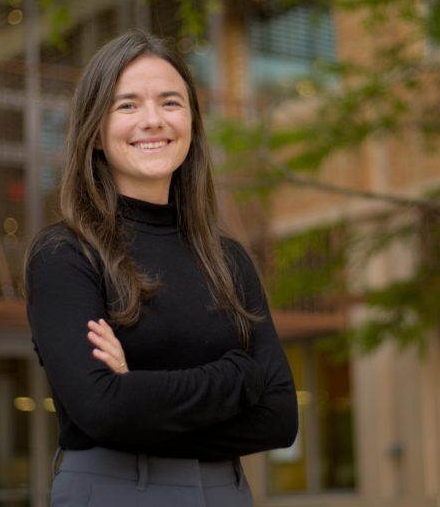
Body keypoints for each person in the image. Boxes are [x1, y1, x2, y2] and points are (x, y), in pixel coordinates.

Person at [25, 30, 298, 506]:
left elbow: (279, 418)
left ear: (191, 121)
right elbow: (102, 409)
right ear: (94, 132)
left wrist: (137, 394)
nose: (152, 120)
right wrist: (237, 376)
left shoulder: (227, 260)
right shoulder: (65, 256)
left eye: (170, 102)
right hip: (114, 490)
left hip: (225, 492)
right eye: (127, 105)